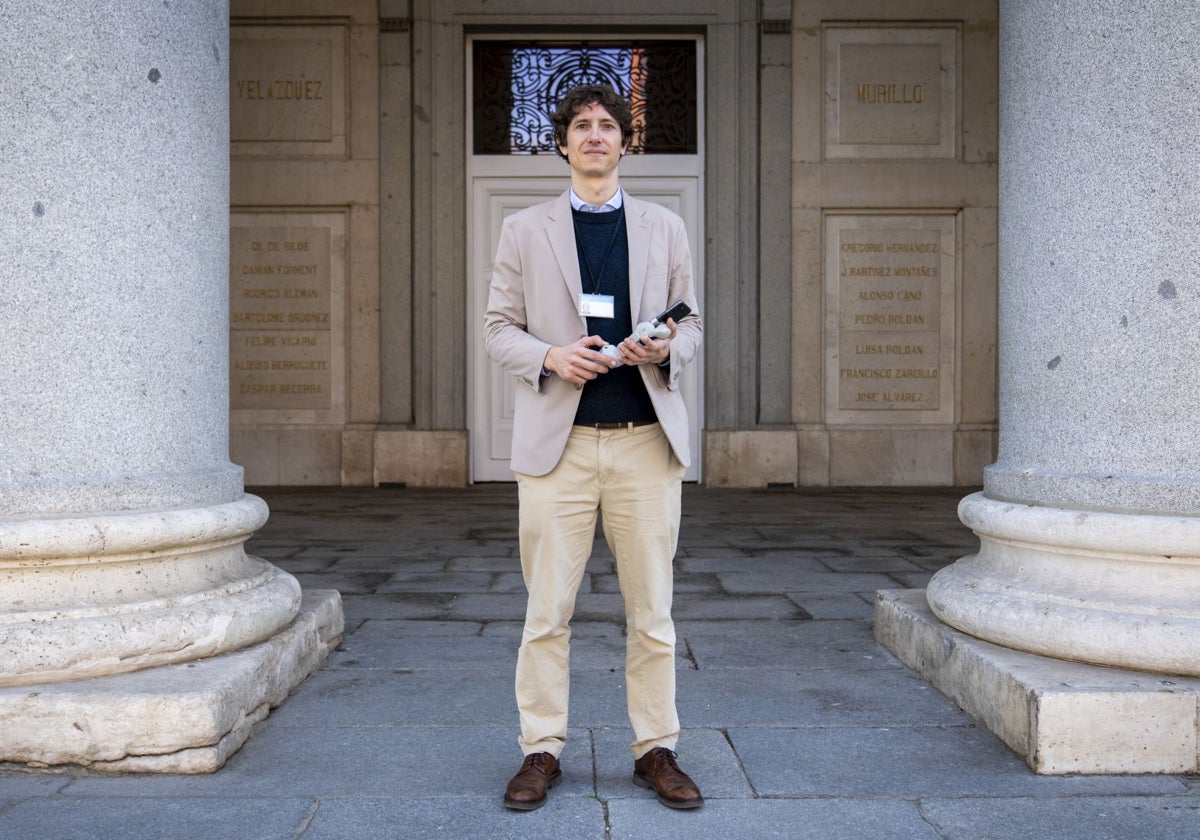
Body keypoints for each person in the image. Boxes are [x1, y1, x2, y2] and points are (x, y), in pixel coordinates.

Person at [484, 83, 704, 812]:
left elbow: (693, 326)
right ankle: (540, 749)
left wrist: (665, 346)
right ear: (563, 143)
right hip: (560, 449)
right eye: (581, 125)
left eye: (608, 125)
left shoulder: (665, 226)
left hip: (646, 445)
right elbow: (497, 329)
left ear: (625, 142)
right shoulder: (524, 229)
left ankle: (655, 749)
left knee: (653, 612)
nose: (595, 136)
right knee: (546, 611)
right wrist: (550, 356)